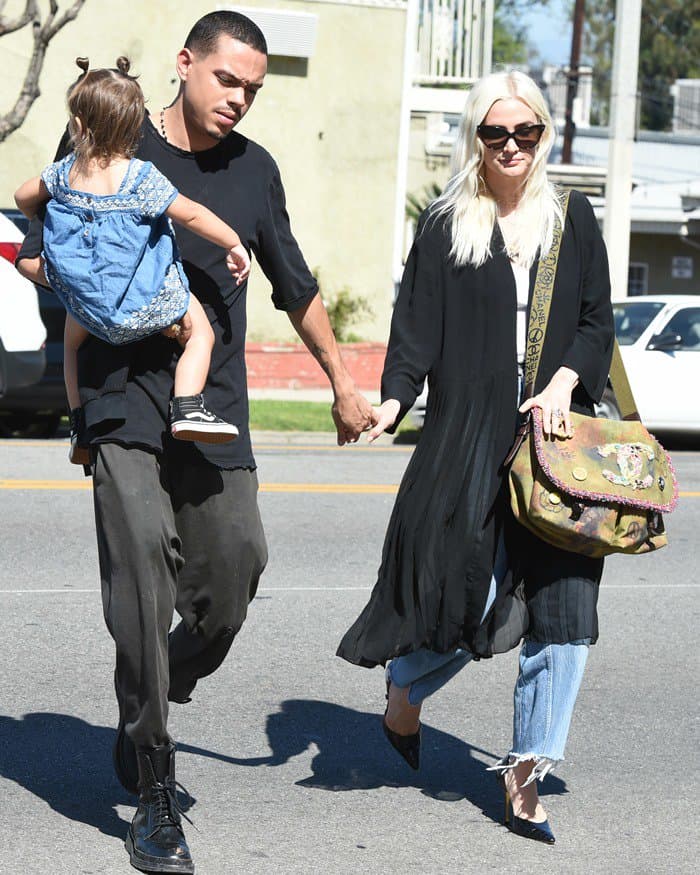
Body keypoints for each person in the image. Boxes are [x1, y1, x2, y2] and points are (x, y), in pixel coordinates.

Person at [17, 11, 375, 874]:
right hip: (118, 397)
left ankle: (158, 681)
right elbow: (43, 238)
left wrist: (340, 379)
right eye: (228, 80)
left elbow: (296, 283)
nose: (241, 99)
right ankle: (149, 778)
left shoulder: (255, 173)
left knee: (232, 576)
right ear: (186, 65)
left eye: (254, 87)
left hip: (211, 406)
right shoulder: (111, 135)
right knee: (142, 573)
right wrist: (65, 287)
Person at [337, 70, 614, 845]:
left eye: (527, 132)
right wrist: (392, 400)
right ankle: (405, 686)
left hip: (557, 444)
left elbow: (597, 321)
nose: (512, 146)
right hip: (467, 434)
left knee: (564, 610)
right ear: (476, 138)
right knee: (468, 592)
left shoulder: (572, 218)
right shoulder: (445, 224)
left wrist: (564, 378)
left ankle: (526, 771)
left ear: (545, 134)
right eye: (497, 133)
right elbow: (415, 330)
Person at [15, 56, 250, 465]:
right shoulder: (141, 177)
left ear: (78, 127)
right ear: (134, 130)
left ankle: (80, 427)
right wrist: (233, 242)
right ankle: (188, 405)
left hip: (89, 307)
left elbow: (21, 196)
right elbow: (191, 214)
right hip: (149, 302)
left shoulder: (62, 174)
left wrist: (46, 211)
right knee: (201, 336)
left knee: (71, 349)